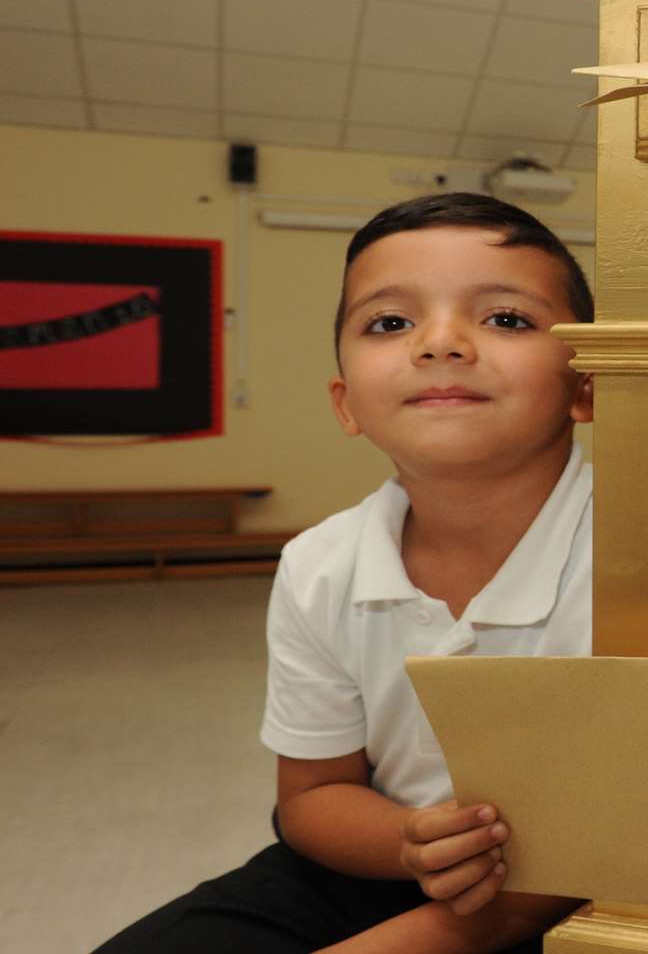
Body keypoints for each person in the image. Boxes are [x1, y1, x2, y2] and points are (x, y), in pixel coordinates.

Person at [98, 193, 597, 954]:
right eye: (390, 323)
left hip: (598, 888)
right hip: (385, 858)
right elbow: (313, 797)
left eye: (505, 318)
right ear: (347, 404)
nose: (441, 343)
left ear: (586, 386)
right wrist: (409, 842)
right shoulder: (320, 565)